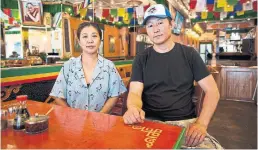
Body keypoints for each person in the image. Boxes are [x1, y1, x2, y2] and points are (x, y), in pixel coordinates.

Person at [122, 4, 223, 149]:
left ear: (172, 24)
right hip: (149, 122)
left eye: (160, 23)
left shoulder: (190, 54)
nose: (155, 29)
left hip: (185, 123)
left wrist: (201, 124)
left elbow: (213, 92)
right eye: (150, 25)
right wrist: (132, 108)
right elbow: (134, 92)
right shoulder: (141, 58)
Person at [50, 22, 127, 113]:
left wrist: (99, 116)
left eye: (94, 36)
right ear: (79, 41)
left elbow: (114, 95)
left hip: (101, 122)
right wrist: (71, 114)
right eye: (85, 36)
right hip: (73, 122)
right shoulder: (68, 66)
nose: (90, 40)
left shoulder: (109, 66)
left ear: (100, 40)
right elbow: (57, 95)